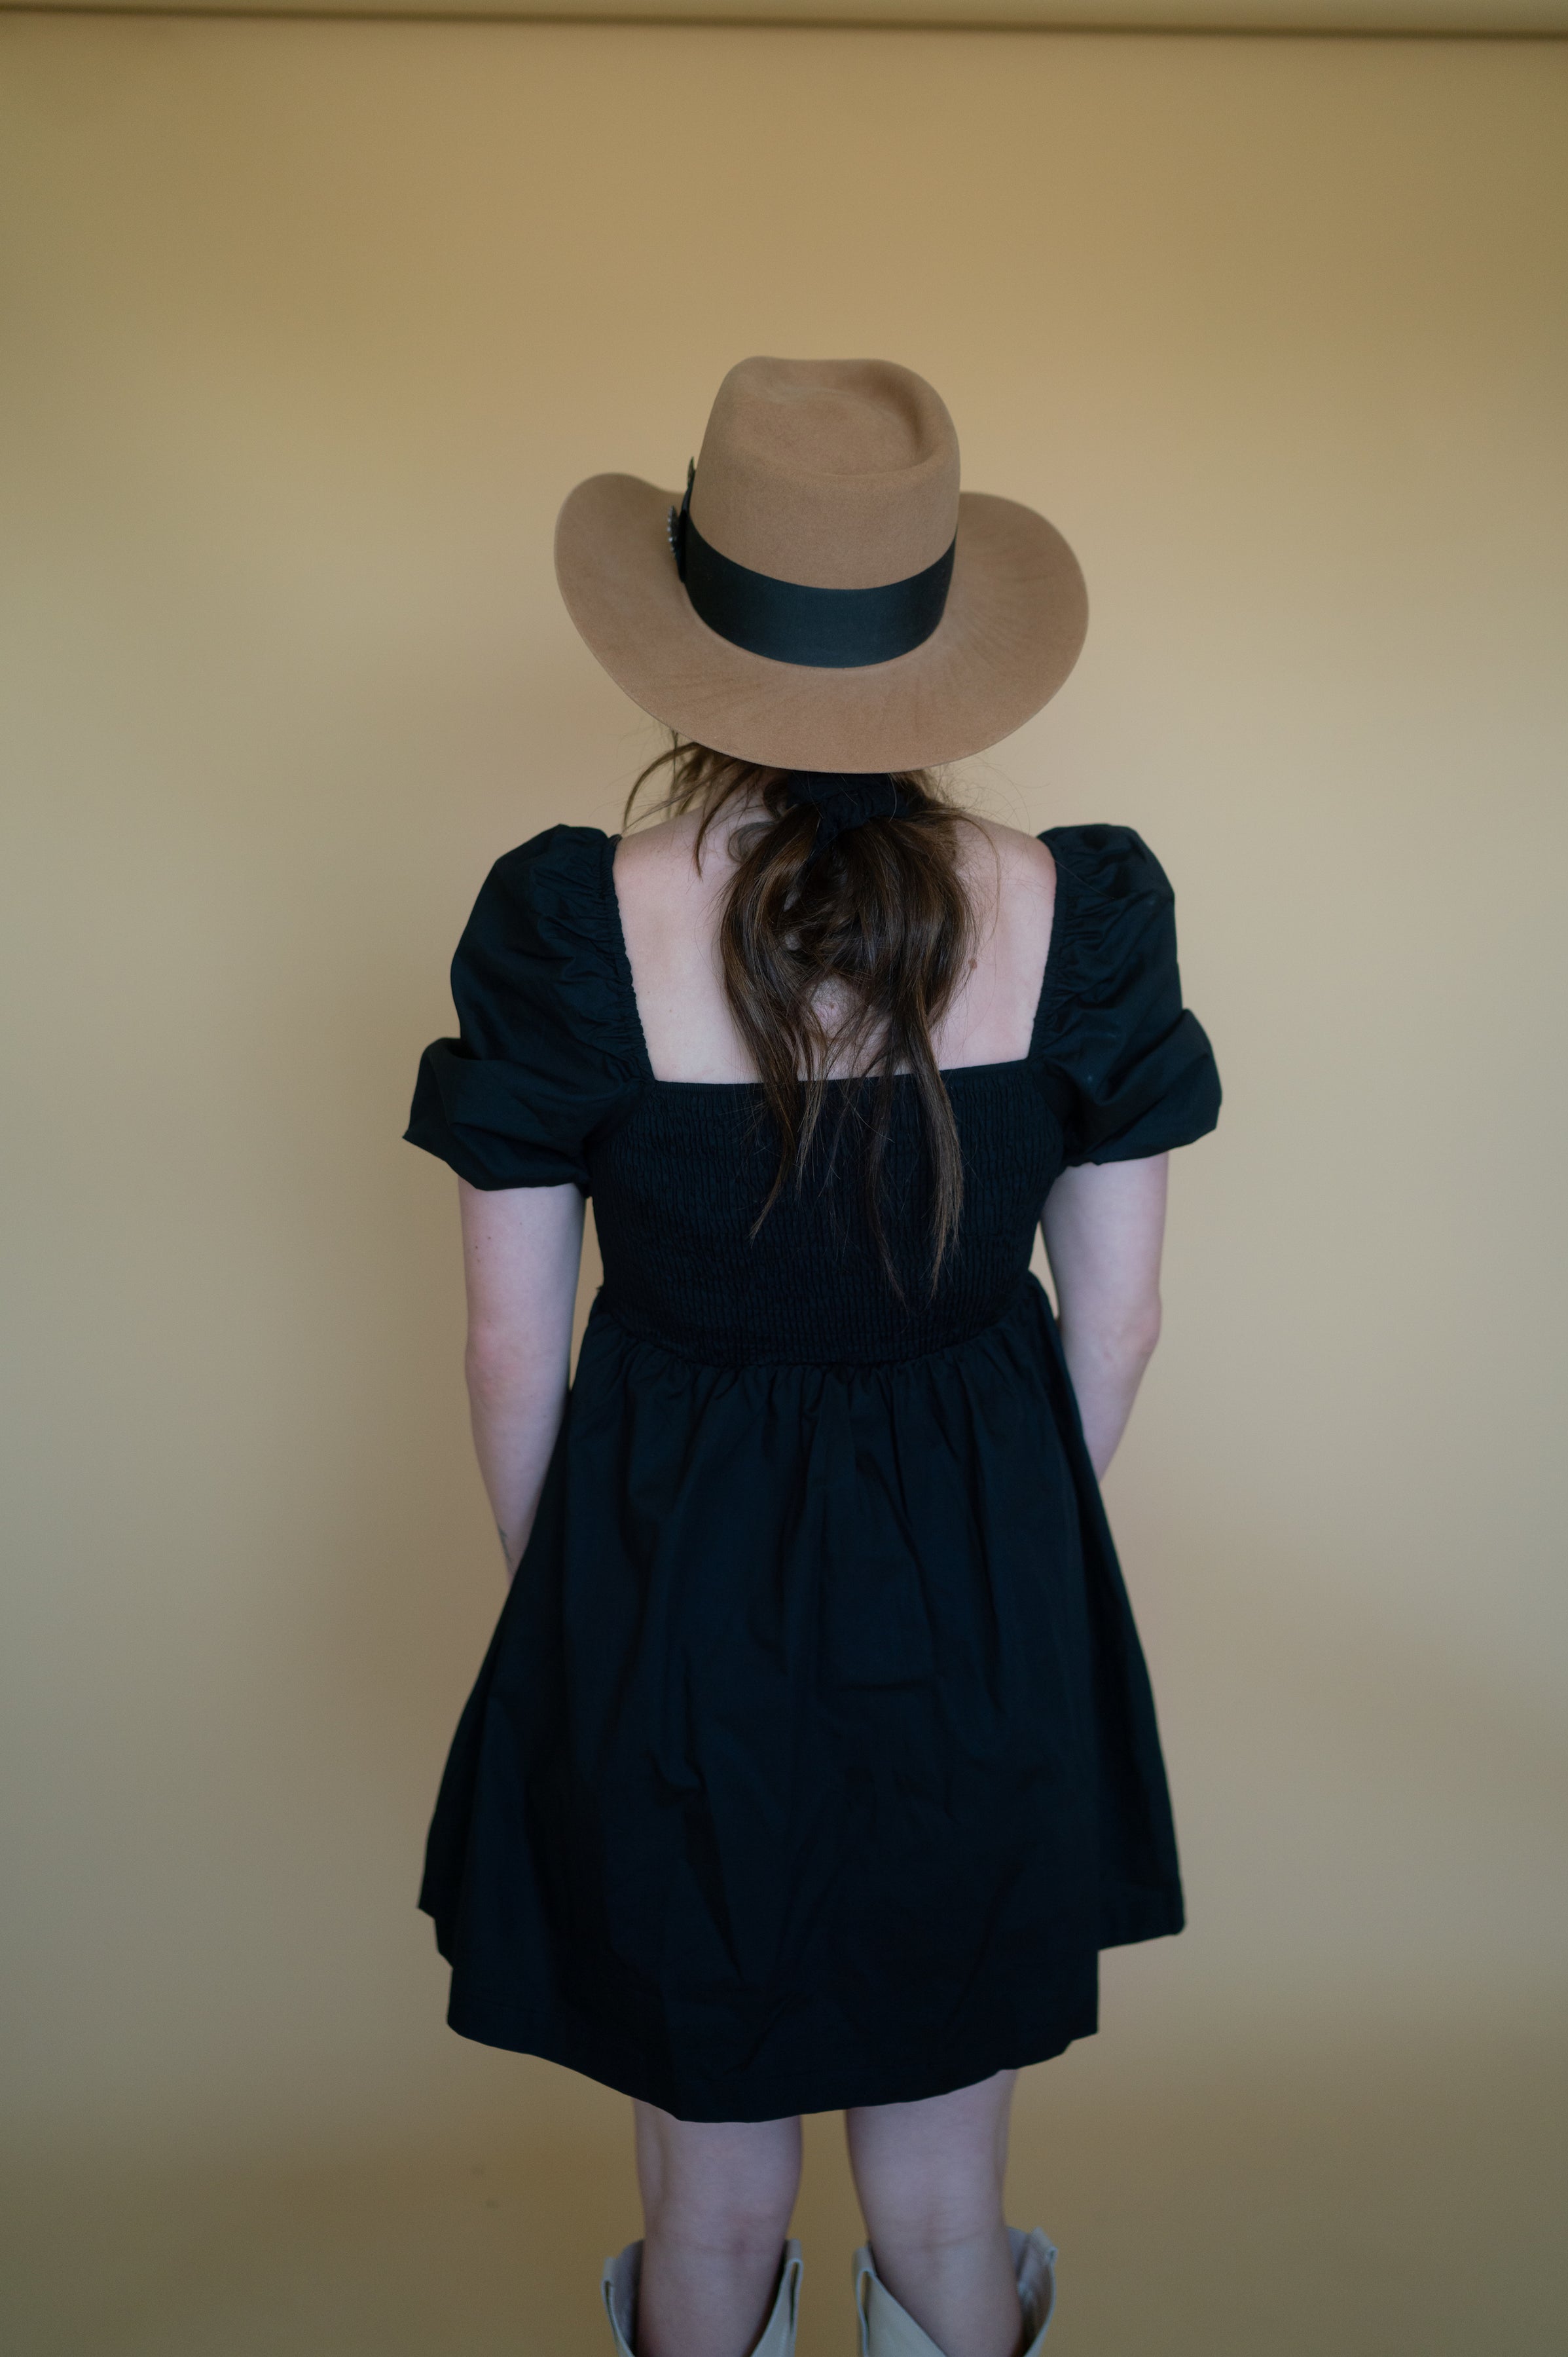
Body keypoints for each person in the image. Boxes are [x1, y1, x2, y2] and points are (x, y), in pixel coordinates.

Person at [405, 357, 1220, 2357]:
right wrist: (997, 1557)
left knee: (710, 2210)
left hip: (665, 1608)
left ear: (689, 646)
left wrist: (592, 1618)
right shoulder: (1084, 917)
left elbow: (508, 1353)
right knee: (945, 2208)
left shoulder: (565, 927)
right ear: (939, 646)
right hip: (982, 1609)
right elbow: (1119, 1321)